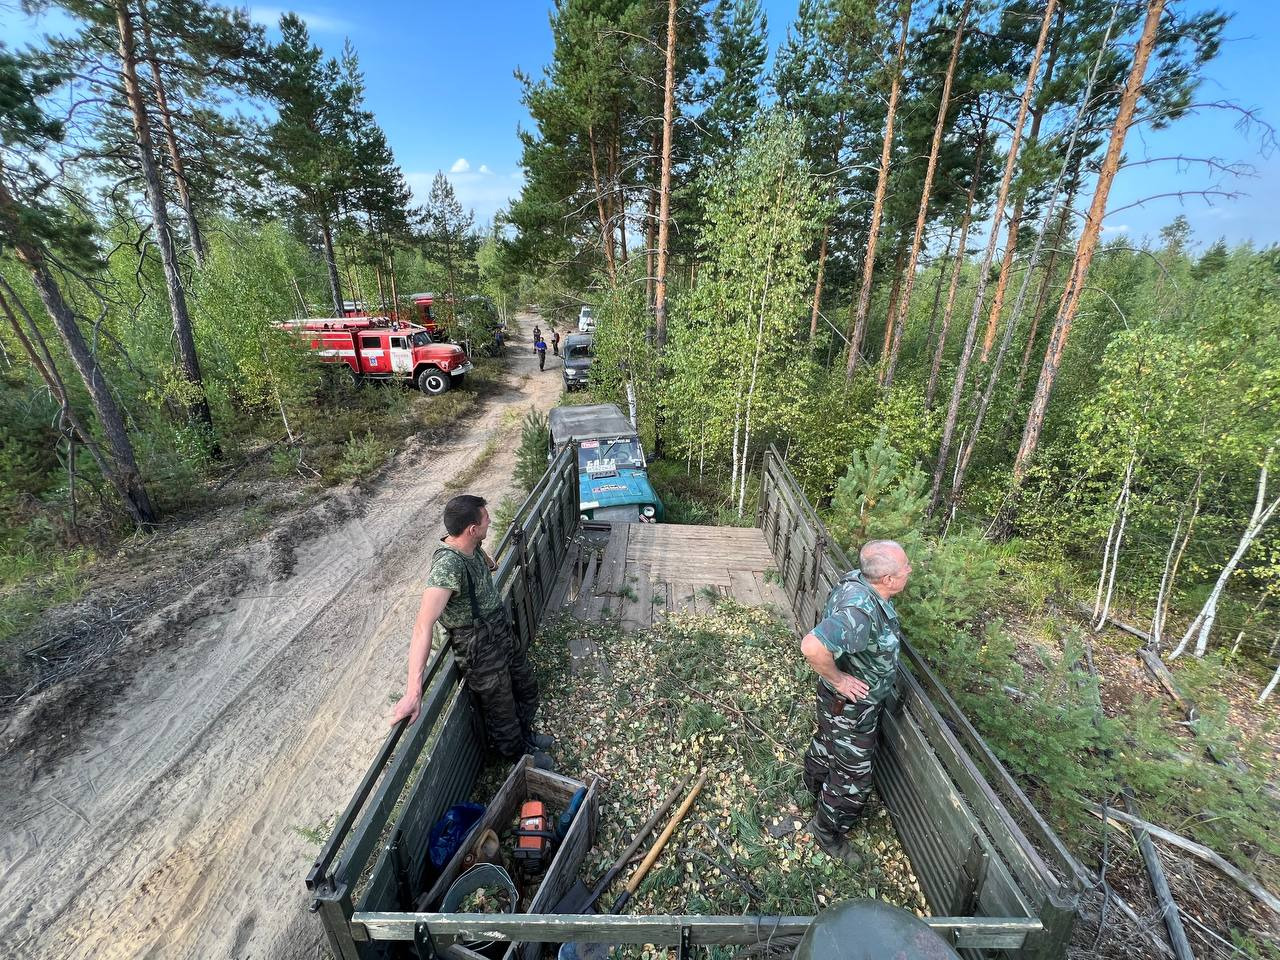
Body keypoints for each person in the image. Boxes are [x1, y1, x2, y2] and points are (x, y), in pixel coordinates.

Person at [391, 495, 554, 769]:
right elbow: (422, 626)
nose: (489, 520)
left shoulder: (472, 545)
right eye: (485, 518)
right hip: (477, 645)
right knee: (500, 706)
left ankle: (525, 735)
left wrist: (490, 562)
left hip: (498, 629)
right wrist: (413, 691)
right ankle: (518, 757)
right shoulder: (447, 568)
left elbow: (486, 563)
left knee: (525, 685)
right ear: (472, 529)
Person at [800, 539, 912, 866]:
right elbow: (812, 646)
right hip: (851, 708)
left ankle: (811, 789)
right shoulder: (861, 611)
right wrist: (838, 679)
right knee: (853, 777)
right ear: (888, 580)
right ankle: (826, 832)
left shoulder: (858, 580)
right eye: (905, 568)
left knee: (826, 741)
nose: (910, 571)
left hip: (835, 705)